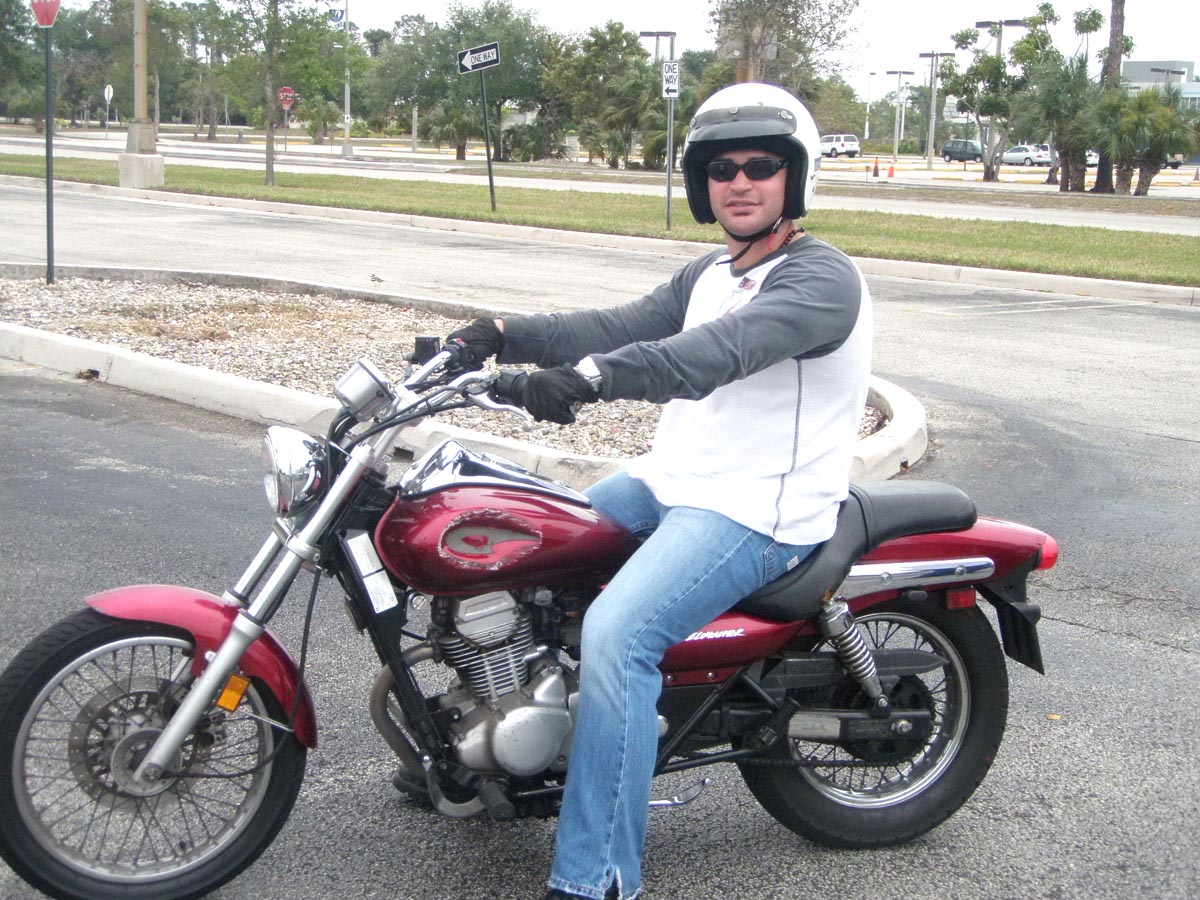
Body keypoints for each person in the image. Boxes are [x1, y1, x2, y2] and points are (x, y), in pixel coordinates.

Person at [445, 81, 873, 900]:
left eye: (761, 166)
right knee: (522, 547)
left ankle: (599, 876)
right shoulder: (708, 272)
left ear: (796, 175)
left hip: (758, 509)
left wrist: (590, 380)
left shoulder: (822, 281)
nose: (739, 182)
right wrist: (499, 335)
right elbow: (613, 325)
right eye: (721, 168)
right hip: (671, 481)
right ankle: (488, 745)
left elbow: (713, 354)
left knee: (618, 633)